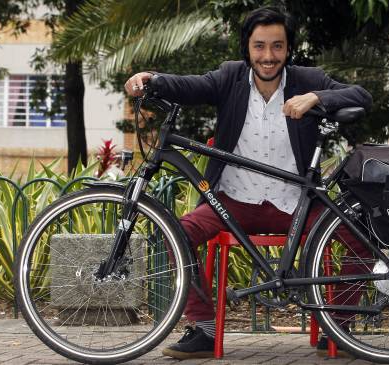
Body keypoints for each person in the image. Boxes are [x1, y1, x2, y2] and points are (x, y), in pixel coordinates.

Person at [125, 6, 373, 359]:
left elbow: (361, 95)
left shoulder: (308, 79)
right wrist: (151, 78)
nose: (268, 56)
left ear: (288, 49)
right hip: (233, 203)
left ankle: (339, 327)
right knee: (174, 235)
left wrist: (318, 98)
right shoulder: (230, 78)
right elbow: (189, 86)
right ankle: (205, 330)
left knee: (360, 241)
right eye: (259, 46)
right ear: (247, 48)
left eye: (277, 46)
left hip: (297, 204)